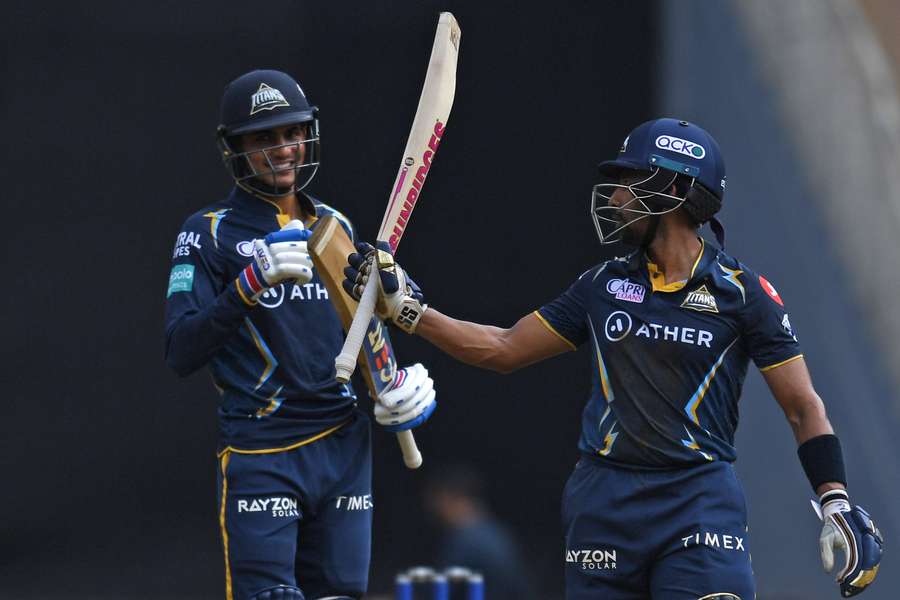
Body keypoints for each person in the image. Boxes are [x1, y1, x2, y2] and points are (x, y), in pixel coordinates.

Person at [344, 118, 883, 599]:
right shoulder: (603, 285)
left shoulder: (745, 295)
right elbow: (503, 349)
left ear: (672, 190)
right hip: (605, 502)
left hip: (698, 500)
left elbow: (802, 407)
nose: (616, 194)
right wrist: (411, 312)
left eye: (631, 180)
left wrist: (834, 500)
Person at [164, 69, 437, 600]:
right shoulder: (207, 232)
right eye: (264, 138)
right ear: (234, 148)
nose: (283, 149)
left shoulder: (334, 225)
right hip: (262, 451)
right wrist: (247, 285)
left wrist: (394, 383)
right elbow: (180, 350)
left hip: (342, 448)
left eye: (292, 133)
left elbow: (369, 321)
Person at [424, 466, 535, 600]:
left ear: (450, 498)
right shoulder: (499, 533)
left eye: (438, 500)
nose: (435, 509)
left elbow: (440, 593)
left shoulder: (465, 540)